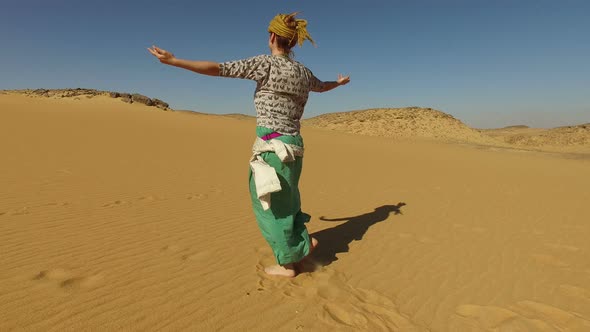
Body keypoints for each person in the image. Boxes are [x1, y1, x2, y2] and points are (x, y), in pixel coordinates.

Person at [148, 12, 350, 277]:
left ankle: (288, 263)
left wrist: (175, 61)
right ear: (291, 42)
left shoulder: (264, 64)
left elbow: (218, 69)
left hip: (272, 148)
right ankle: (299, 246)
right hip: (294, 146)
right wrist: (339, 83)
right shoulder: (302, 72)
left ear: (273, 37)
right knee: (288, 200)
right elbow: (321, 87)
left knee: (267, 204)